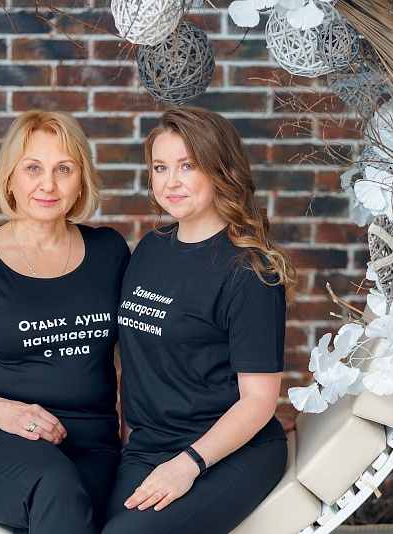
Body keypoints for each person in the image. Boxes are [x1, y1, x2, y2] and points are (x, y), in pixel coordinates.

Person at [0, 110, 130, 534]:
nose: (47, 185)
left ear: (81, 180)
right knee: (56, 488)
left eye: (63, 169)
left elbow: (138, 362)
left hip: (91, 442)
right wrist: (3, 412)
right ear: (10, 178)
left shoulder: (110, 252)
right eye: (33, 168)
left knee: (83, 508)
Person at [103, 106, 297, 534]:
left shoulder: (250, 270)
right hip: (150, 447)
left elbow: (258, 401)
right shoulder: (150, 249)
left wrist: (187, 464)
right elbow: (135, 364)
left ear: (219, 169)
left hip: (226, 453)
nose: (170, 182)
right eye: (160, 167)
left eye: (187, 166)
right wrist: (126, 446)